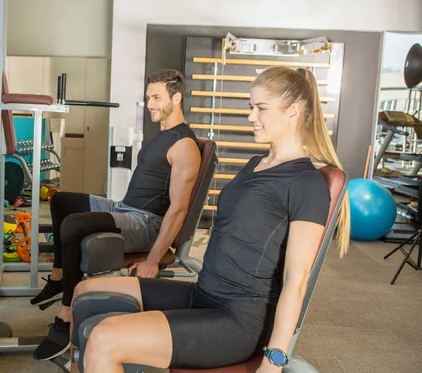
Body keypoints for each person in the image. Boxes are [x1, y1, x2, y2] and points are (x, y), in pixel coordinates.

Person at [70, 66, 351, 372]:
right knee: (86, 291)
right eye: (250, 107)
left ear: (292, 111)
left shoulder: (306, 184)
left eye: (261, 109)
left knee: (104, 339)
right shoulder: (257, 163)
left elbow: (296, 281)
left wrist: (274, 358)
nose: (251, 117)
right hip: (203, 293)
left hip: (236, 320)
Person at [32, 69, 202, 361]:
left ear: (176, 97)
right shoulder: (162, 136)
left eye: (157, 97)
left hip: (145, 223)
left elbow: (179, 208)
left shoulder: (184, 145)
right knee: (61, 201)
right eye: (148, 97)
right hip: (124, 208)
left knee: (74, 225)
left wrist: (151, 260)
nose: (150, 103)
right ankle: (60, 276)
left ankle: (67, 313)